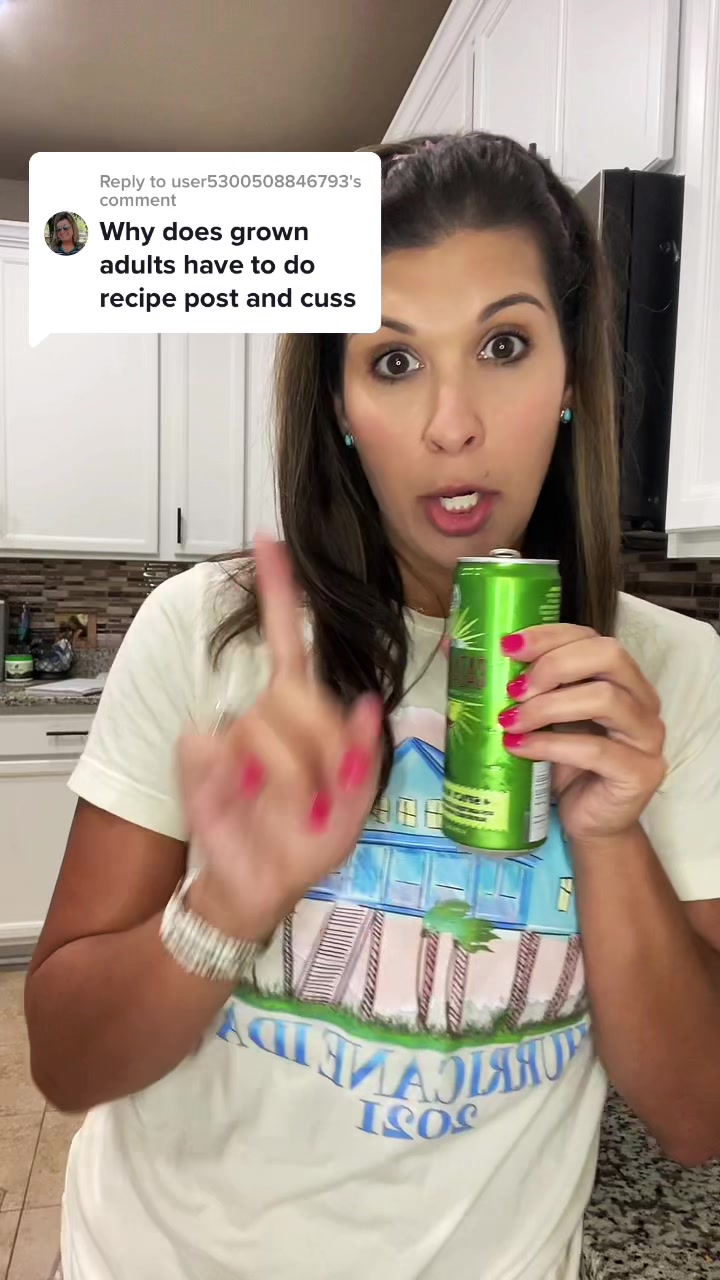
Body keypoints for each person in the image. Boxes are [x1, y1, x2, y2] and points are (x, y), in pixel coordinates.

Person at [25, 133, 720, 1280]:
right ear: (342, 405)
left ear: (569, 380)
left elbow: (698, 1117)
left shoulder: (673, 675)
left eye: (503, 345)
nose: (453, 423)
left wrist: (609, 835)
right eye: (393, 360)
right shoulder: (208, 630)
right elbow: (66, 1062)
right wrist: (228, 901)